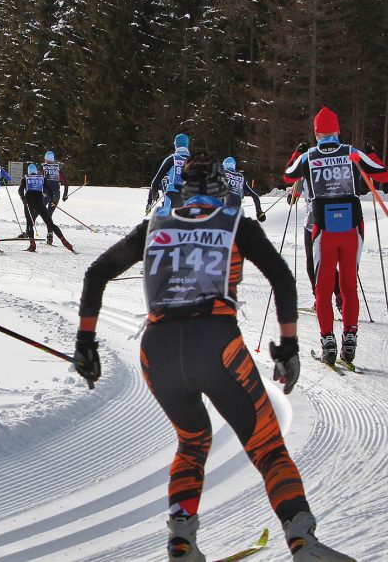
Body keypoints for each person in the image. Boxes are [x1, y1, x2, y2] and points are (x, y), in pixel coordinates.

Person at [72, 153, 355, 562]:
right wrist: (288, 345)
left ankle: (181, 542)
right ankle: (303, 543)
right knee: (268, 446)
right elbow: (281, 278)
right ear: (224, 190)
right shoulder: (235, 223)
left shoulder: (153, 226)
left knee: (192, 441)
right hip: (216, 342)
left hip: (158, 350)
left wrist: (86, 343)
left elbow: (97, 272)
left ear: (180, 191)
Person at [283, 106, 386, 365]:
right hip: (352, 228)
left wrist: (297, 152)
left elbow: (288, 176)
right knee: (349, 286)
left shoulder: (309, 155)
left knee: (324, 287)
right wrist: (371, 151)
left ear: (317, 133)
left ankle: (327, 340)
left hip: (322, 229)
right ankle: (350, 336)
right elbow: (382, 174)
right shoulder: (351, 152)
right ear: (337, 131)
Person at [18, 163, 74, 252]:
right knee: (50, 223)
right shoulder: (42, 178)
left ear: (28, 171)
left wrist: (23, 198)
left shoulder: (25, 179)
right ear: (36, 171)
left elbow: (20, 190)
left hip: (29, 202)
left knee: (30, 223)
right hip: (40, 202)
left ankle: (32, 245)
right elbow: (49, 190)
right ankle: (64, 240)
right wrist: (52, 199)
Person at [147, 133, 191, 213]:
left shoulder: (171, 159)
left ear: (176, 145)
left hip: (172, 197)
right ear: (187, 145)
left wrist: (154, 196)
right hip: (189, 199)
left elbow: (155, 182)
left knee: (168, 223)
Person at [222, 157, 265, 221]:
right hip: (237, 205)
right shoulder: (241, 177)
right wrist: (259, 211)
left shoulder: (223, 173)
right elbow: (254, 195)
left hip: (223, 205)